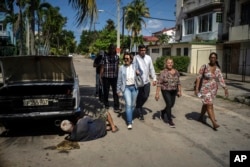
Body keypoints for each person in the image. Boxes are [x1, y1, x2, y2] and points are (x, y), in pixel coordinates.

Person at [194, 52, 229, 130]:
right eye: (211, 57)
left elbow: (221, 79)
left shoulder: (218, 69)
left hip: (213, 89)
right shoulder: (204, 67)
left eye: (214, 57)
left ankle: (200, 117)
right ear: (209, 58)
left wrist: (225, 89)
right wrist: (196, 89)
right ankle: (214, 123)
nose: (213, 59)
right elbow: (198, 78)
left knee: (206, 104)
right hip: (204, 88)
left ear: (216, 59)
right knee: (209, 104)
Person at [155, 58, 182, 128]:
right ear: (166, 64)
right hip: (165, 90)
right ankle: (170, 120)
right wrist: (157, 94)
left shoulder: (176, 72)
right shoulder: (163, 72)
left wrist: (179, 91)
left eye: (171, 62)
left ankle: (163, 112)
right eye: (168, 63)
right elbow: (159, 84)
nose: (170, 64)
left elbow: (179, 82)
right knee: (169, 103)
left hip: (174, 90)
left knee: (171, 105)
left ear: (173, 63)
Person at [132, 44, 157, 120]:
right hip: (139, 82)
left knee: (146, 96)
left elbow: (151, 68)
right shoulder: (136, 58)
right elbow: (133, 67)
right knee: (140, 96)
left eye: (144, 50)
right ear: (139, 50)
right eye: (141, 50)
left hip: (146, 81)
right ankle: (140, 112)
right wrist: (135, 70)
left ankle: (138, 106)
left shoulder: (148, 58)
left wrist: (154, 78)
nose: (143, 52)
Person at [117, 52, 140, 129]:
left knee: (133, 105)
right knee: (128, 104)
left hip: (134, 87)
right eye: (124, 58)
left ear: (131, 59)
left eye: (127, 58)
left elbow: (141, 73)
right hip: (126, 88)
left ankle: (130, 116)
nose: (126, 60)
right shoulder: (121, 68)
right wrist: (118, 90)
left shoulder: (135, 66)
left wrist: (138, 73)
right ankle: (129, 122)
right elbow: (119, 80)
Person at [100, 44, 120, 112]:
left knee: (115, 92)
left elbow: (117, 67)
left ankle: (116, 106)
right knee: (106, 92)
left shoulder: (117, 57)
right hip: (106, 77)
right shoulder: (105, 57)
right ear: (109, 49)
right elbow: (102, 67)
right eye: (111, 48)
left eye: (113, 48)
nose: (112, 50)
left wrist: (118, 76)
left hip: (114, 77)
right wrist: (101, 76)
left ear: (115, 49)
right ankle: (106, 105)